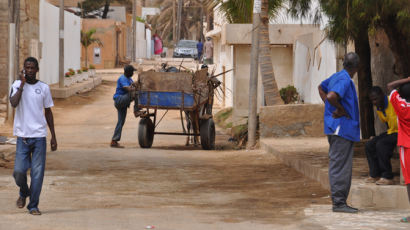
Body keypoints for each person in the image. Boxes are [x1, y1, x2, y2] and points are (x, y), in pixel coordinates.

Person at [9, 57, 57, 215]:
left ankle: (33, 205)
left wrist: (53, 136)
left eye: (32, 68)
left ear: (37, 70)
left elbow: (48, 112)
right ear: (23, 69)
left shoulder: (43, 88)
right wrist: (22, 84)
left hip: (39, 137)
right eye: (27, 68)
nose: (29, 71)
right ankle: (24, 192)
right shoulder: (16, 85)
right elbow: (14, 103)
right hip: (22, 137)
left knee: (37, 174)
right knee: (18, 171)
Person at [318, 52, 360, 213]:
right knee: (340, 166)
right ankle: (339, 203)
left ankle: (340, 202)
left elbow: (321, 87)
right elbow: (330, 95)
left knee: (340, 164)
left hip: (335, 127)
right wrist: (340, 109)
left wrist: (330, 110)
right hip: (341, 129)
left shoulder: (337, 75)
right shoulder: (344, 79)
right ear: (357, 67)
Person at [386, 77, 410, 223]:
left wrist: (408, 78)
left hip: (407, 147)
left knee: (409, 181)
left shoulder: (400, 104)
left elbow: (390, 85)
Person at [365, 86, 398, 185]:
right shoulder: (379, 108)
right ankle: (375, 174)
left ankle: (387, 176)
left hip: (403, 131)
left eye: (376, 99)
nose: (374, 102)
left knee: (381, 144)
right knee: (370, 144)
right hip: (392, 131)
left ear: (382, 95)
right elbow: (387, 124)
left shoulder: (392, 101)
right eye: (372, 100)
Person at [110, 65, 142, 148]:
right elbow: (127, 88)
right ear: (128, 72)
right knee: (137, 93)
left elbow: (133, 84)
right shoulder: (122, 78)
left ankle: (114, 140)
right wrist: (134, 87)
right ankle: (136, 111)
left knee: (121, 121)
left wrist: (138, 83)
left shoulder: (129, 79)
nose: (133, 73)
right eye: (132, 72)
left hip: (123, 102)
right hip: (119, 100)